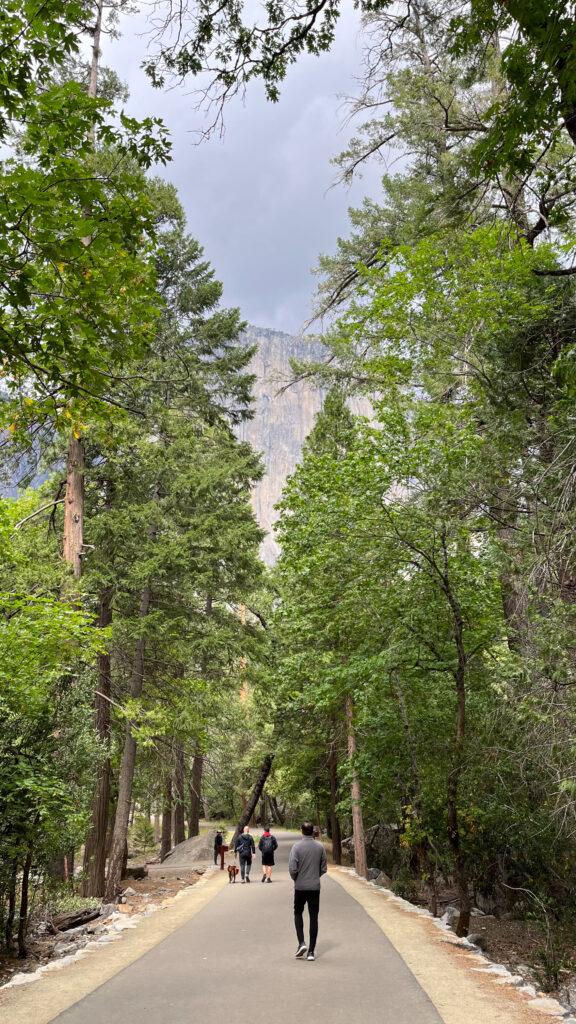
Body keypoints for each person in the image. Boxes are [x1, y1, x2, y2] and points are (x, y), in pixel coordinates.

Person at [288, 821, 327, 961]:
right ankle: (311, 952)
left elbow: (292, 868)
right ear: (313, 832)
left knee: (298, 912)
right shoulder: (320, 847)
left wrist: (297, 879)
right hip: (314, 887)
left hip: (300, 887)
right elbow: (323, 868)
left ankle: (301, 943)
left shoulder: (296, 847)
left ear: (302, 831)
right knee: (313, 917)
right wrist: (315, 877)